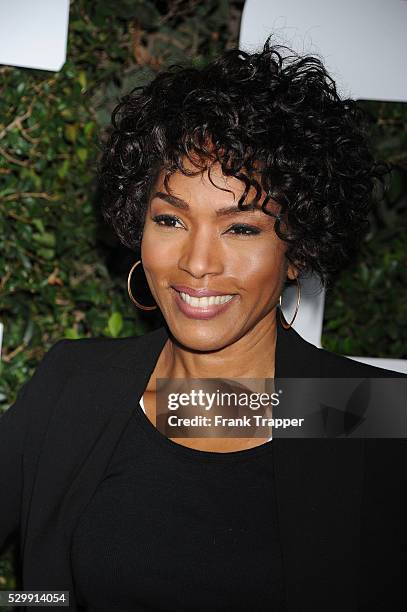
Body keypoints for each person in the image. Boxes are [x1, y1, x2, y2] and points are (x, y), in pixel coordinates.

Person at [1, 37, 406, 612]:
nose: (197, 263)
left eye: (240, 228)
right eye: (170, 218)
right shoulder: (78, 387)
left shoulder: (368, 414)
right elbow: (45, 595)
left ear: (299, 250)